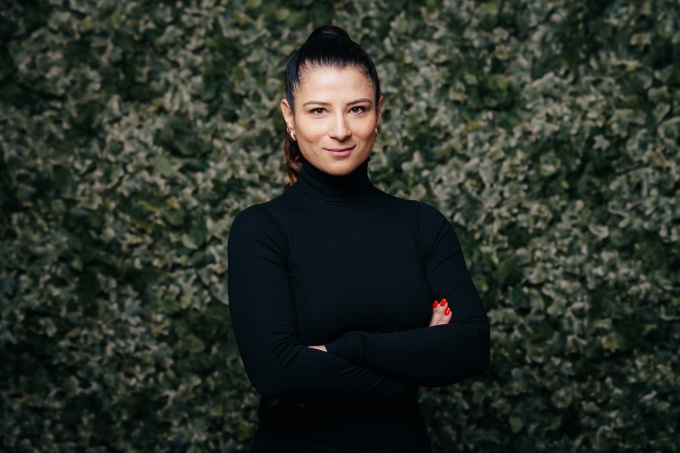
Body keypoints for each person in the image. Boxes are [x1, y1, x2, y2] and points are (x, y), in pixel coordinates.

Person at [227, 25, 490, 453]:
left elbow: (473, 347)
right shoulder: (261, 229)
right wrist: (412, 373)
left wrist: (341, 349)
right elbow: (276, 372)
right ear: (289, 118)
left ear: (378, 112)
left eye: (357, 109)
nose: (340, 130)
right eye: (318, 111)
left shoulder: (422, 224)